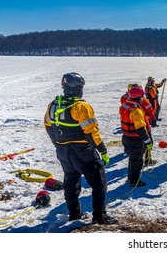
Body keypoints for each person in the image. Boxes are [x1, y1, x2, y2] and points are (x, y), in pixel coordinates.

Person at [44, 72, 116, 225]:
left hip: (63, 152)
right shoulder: (81, 106)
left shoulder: (53, 104)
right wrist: (103, 151)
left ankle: (74, 214)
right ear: (77, 88)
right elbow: (91, 132)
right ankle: (99, 216)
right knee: (99, 183)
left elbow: (48, 126)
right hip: (83, 152)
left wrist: (58, 144)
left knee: (70, 182)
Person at [119, 86, 153, 187]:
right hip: (135, 138)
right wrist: (147, 140)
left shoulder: (125, 105)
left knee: (132, 159)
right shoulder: (136, 110)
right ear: (139, 97)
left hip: (126, 137)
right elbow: (140, 128)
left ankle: (130, 178)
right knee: (137, 161)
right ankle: (134, 180)